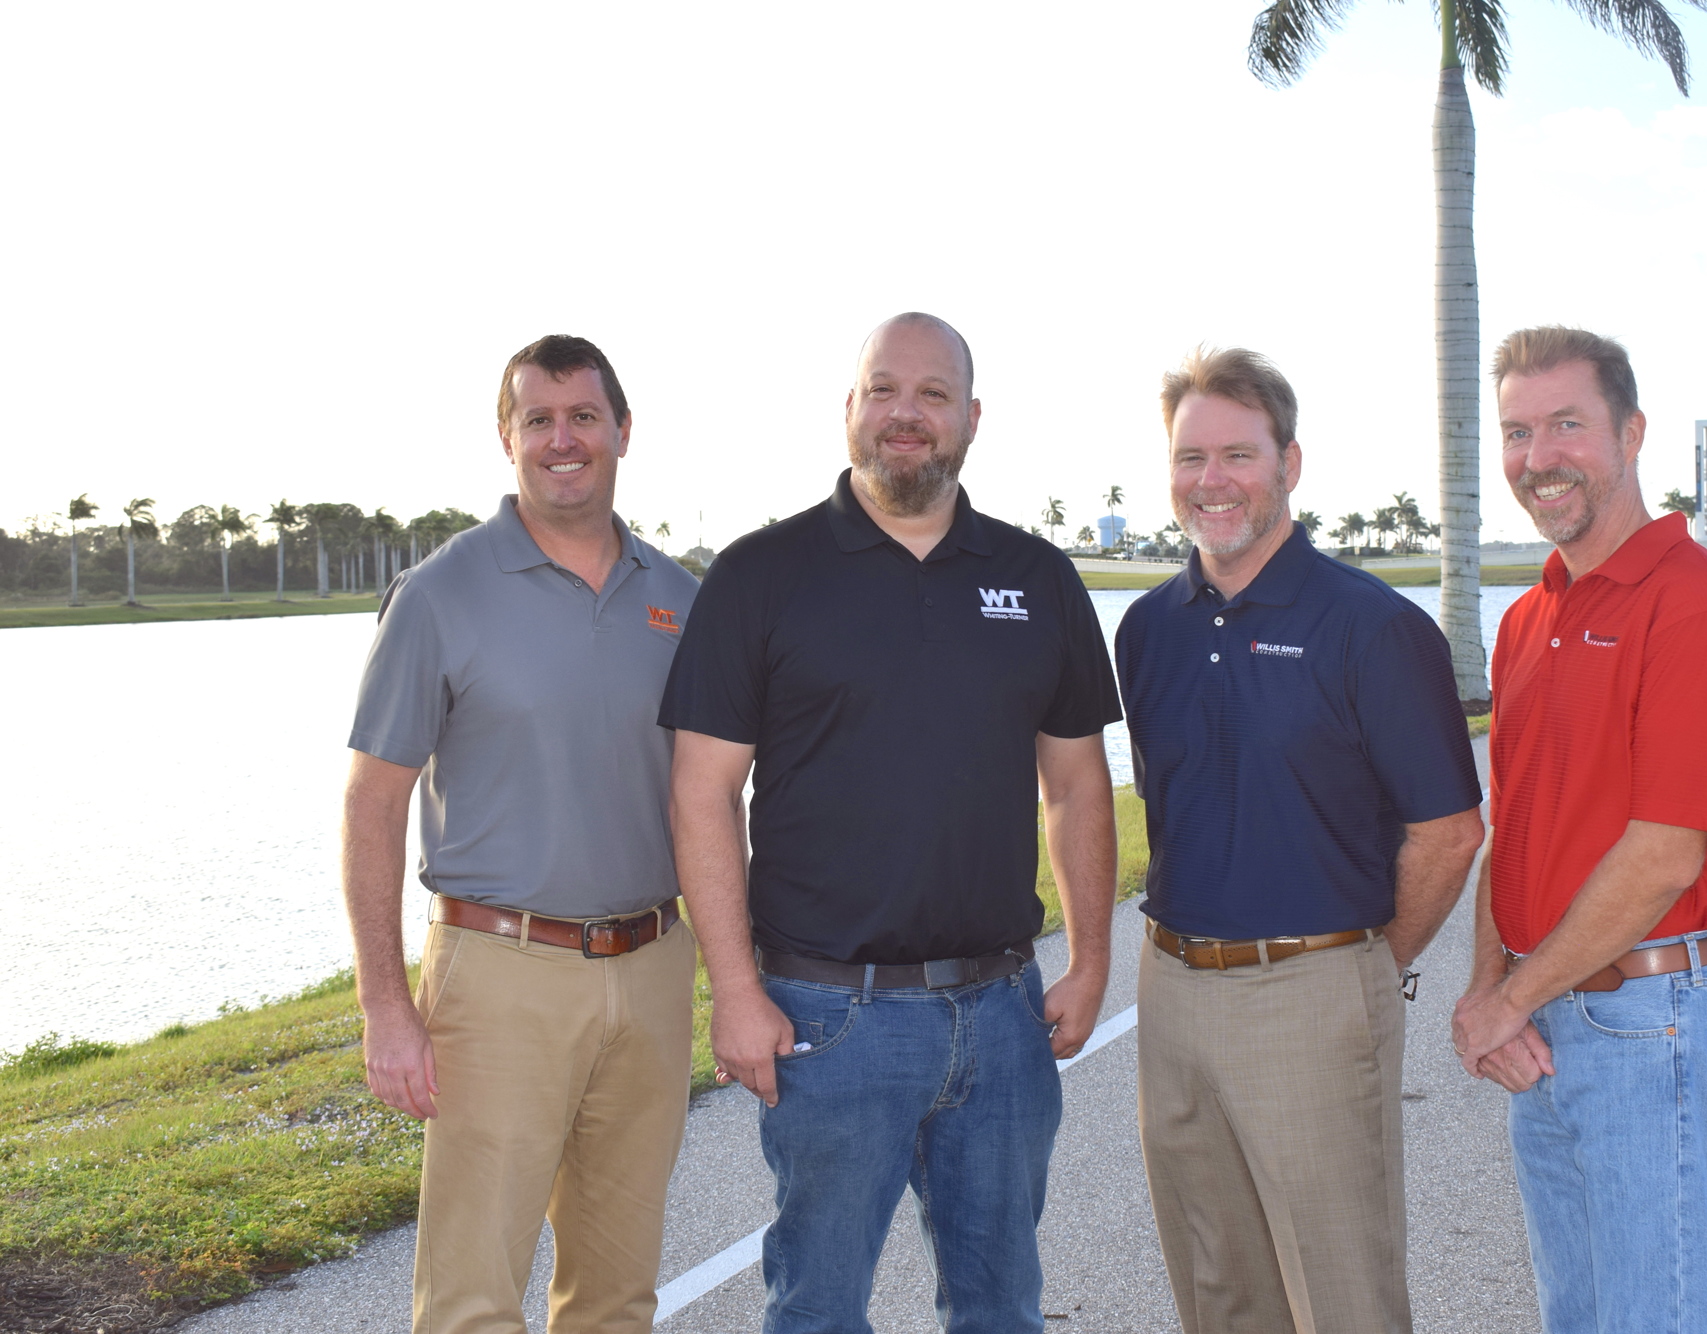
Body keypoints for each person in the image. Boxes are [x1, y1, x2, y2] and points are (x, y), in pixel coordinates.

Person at [663, 312, 1121, 1333]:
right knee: (818, 1308)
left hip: (1001, 1015)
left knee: (1001, 1305)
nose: (904, 414)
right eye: (882, 389)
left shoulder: (1036, 575)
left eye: (929, 393)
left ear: (968, 416)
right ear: (849, 409)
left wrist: (1089, 959)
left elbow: (1078, 786)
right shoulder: (759, 575)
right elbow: (701, 794)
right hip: (828, 1016)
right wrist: (732, 989)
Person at [1116, 347, 1486, 1333]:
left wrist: (1355, 964)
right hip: (1169, 990)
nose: (1212, 480)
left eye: (1238, 453)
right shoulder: (1146, 629)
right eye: (1190, 455)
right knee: (1216, 1287)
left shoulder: (1370, 626)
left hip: (1310, 993)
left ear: (1289, 462)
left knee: (1340, 1298)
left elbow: (1448, 833)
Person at [342, 335, 701, 1334]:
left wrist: (737, 968)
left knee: (617, 1294)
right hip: (498, 974)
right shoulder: (438, 596)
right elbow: (371, 805)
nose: (561, 438)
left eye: (583, 415)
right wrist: (384, 1005)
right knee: (471, 1300)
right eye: (537, 418)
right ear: (506, 438)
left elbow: (710, 802)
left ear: (622, 431)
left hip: (653, 964)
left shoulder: (682, 599)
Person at [1451, 327, 1707, 1334]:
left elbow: (1661, 852)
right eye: (1515, 430)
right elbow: (1511, 832)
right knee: (1578, 1315)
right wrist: (1483, 991)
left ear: (1629, 434)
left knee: (1652, 1317)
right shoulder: (1524, 619)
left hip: (1648, 1024)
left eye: (1565, 424)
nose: (1537, 455)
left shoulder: (1693, 607)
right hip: (1546, 1016)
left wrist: (1508, 995)